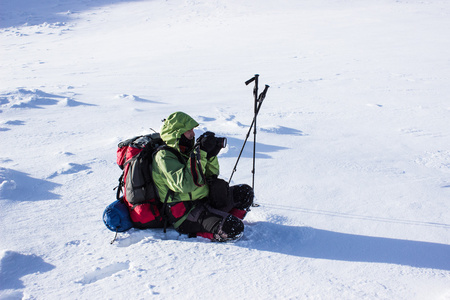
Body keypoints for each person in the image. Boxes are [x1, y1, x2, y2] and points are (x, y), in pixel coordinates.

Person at [152, 111, 254, 242]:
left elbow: (212, 175)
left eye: (193, 130)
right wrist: (200, 154)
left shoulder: (186, 150)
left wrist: (210, 155)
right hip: (186, 213)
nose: (193, 134)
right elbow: (185, 185)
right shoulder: (164, 157)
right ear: (177, 133)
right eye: (189, 131)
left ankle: (220, 221)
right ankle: (209, 231)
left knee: (245, 193)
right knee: (233, 229)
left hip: (204, 201)